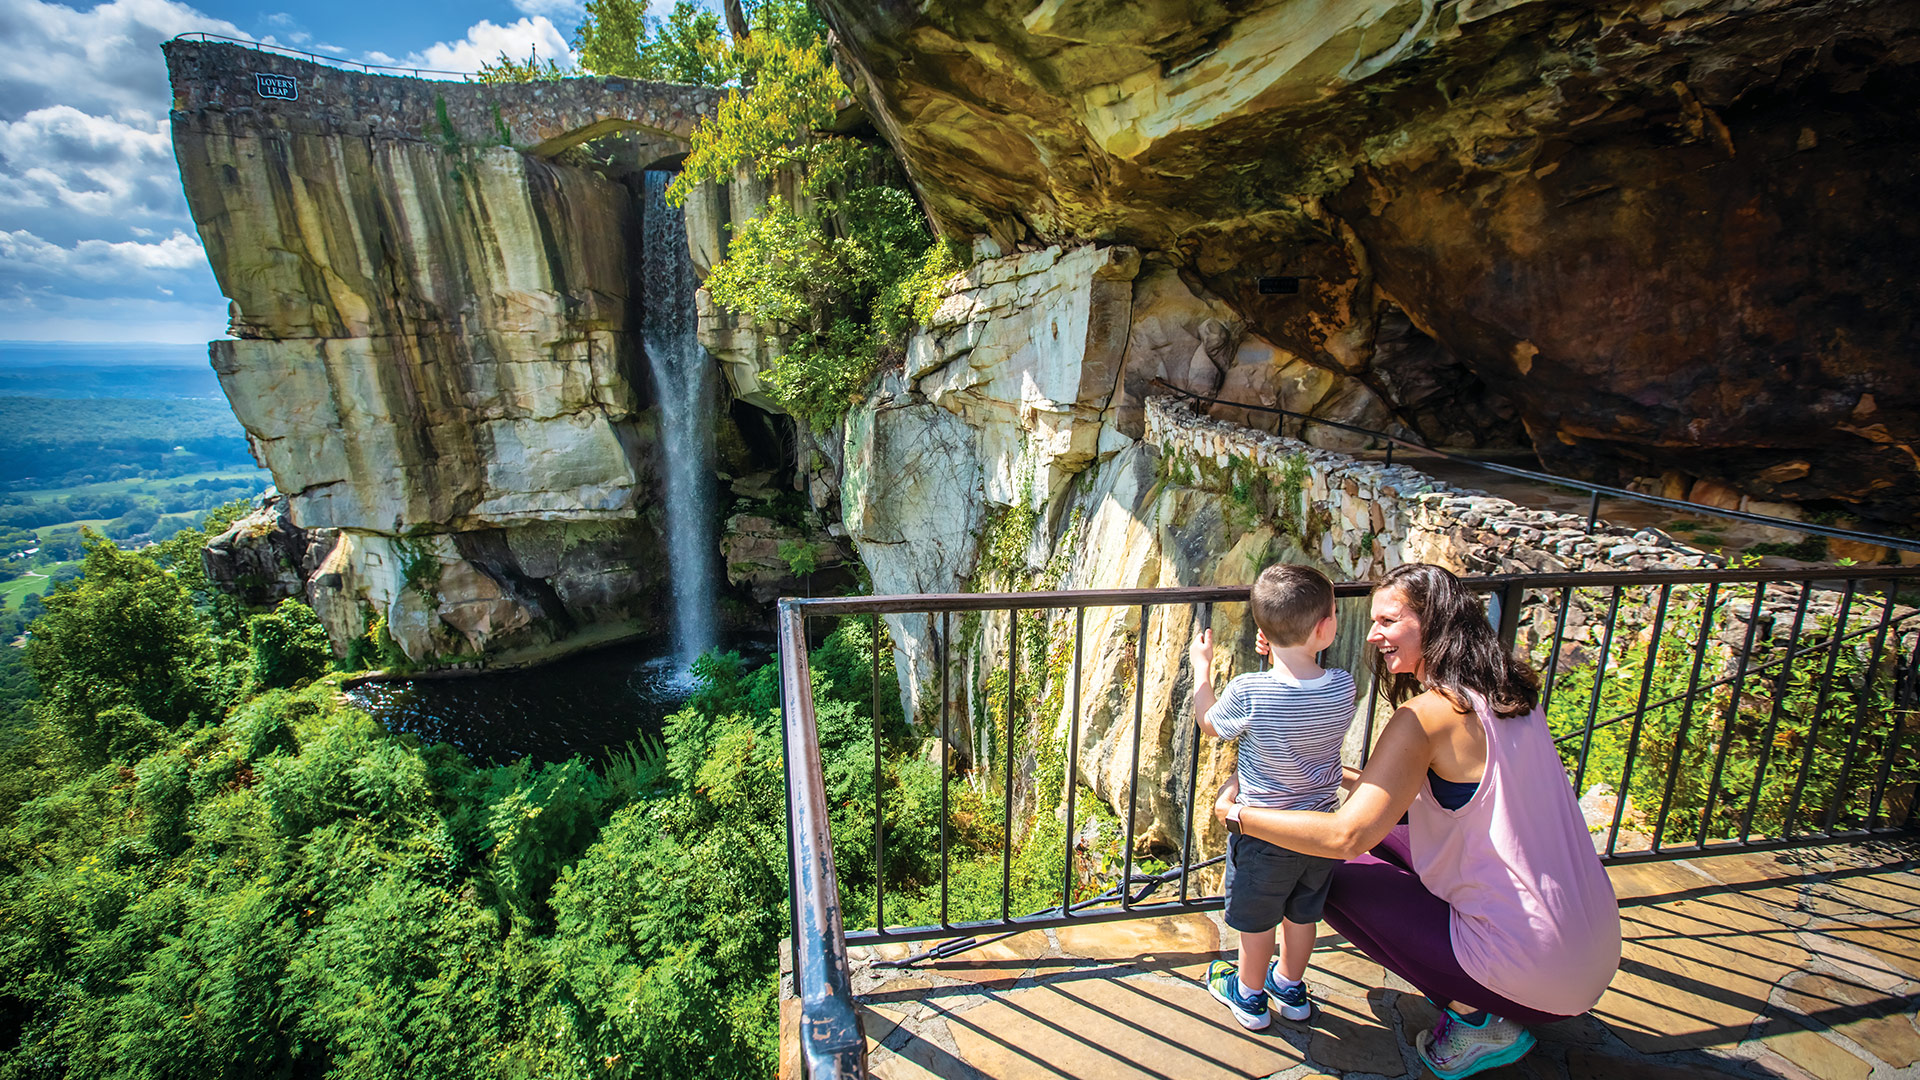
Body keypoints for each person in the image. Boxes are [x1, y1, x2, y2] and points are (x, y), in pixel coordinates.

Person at [1215, 563, 1620, 1077]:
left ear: (1433, 622)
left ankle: (1476, 1019)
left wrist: (1238, 815)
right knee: (1378, 845)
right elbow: (1411, 801)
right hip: (1589, 941)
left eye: (1388, 620)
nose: (1372, 634)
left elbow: (1343, 837)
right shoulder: (1509, 694)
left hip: (1539, 972)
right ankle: (1477, 992)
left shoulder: (1427, 714)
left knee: (1317, 871)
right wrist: (1337, 774)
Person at [1189, 563, 1357, 1030]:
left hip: (1263, 831)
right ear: (1324, 628)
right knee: (1302, 916)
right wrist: (1285, 651)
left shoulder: (1250, 690)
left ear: (1263, 631)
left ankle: (1249, 995)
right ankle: (1290, 985)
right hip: (1319, 830)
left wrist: (1201, 670)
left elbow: (1211, 724)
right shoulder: (1343, 686)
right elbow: (1302, 695)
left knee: (1257, 920)